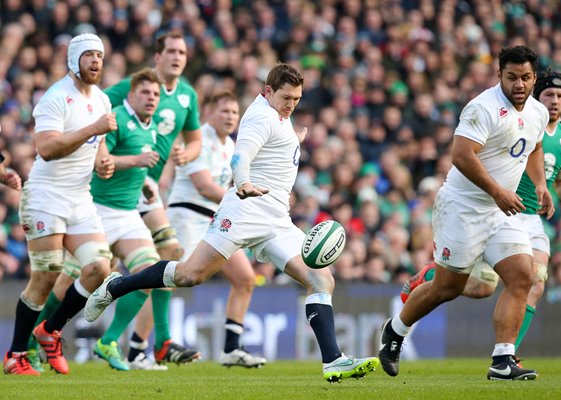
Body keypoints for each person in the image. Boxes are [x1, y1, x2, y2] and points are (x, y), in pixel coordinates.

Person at [86, 63, 380, 382]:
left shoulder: (279, 115)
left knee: (321, 280)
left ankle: (332, 360)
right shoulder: (260, 116)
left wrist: (294, 139)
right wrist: (242, 183)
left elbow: (273, 145)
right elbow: (241, 155)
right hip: (243, 211)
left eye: (296, 99)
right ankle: (116, 286)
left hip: (276, 220)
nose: (291, 105)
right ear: (266, 92)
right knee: (188, 275)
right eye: (286, 98)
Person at [378, 45, 555, 381]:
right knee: (448, 287)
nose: (519, 84)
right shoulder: (483, 108)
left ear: (534, 78)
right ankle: (395, 330)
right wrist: (498, 191)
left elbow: (534, 146)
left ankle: (503, 359)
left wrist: (540, 184)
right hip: (463, 207)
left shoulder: (537, 112)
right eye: (512, 77)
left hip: (500, 210)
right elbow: (461, 155)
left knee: (523, 275)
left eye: (526, 77)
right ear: (499, 75)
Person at [400, 70, 561, 352]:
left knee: (534, 280)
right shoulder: (520, 120)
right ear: (535, 97)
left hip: (531, 218)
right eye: (549, 95)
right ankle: (432, 277)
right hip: (500, 209)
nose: (555, 101)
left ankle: (507, 354)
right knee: (481, 287)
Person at [3, 33, 116, 376]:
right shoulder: (55, 97)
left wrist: (104, 161)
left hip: (80, 197)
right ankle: (15, 355)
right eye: (88, 56)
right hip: (46, 195)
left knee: (100, 269)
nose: (96, 61)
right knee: (47, 276)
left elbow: (98, 145)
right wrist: (93, 129)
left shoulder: (101, 100)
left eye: (99, 55)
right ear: (73, 60)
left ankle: (50, 330)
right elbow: (48, 149)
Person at [103, 30, 202, 366]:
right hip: (116, 187)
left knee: (169, 254)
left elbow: (195, 140)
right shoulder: (134, 87)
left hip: (148, 189)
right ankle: (44, 332)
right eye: (171, 51)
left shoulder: (187, 95)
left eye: (182, 52)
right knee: (80, 272)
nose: (177, 57)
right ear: (157, 56)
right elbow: (98, 109)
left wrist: (188, 154)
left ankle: (156, 342)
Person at [166, 90, 266, 368]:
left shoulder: (229, 146)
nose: (231, 117)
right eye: (225, 111)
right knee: (172, 280)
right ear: (209, 112)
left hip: (214, 220)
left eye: (235, 112)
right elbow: (204, 186)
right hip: (187, 215)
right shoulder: (198, 138)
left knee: (246, 279)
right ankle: (142, 345)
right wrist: (241, 199)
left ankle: (231, 349)